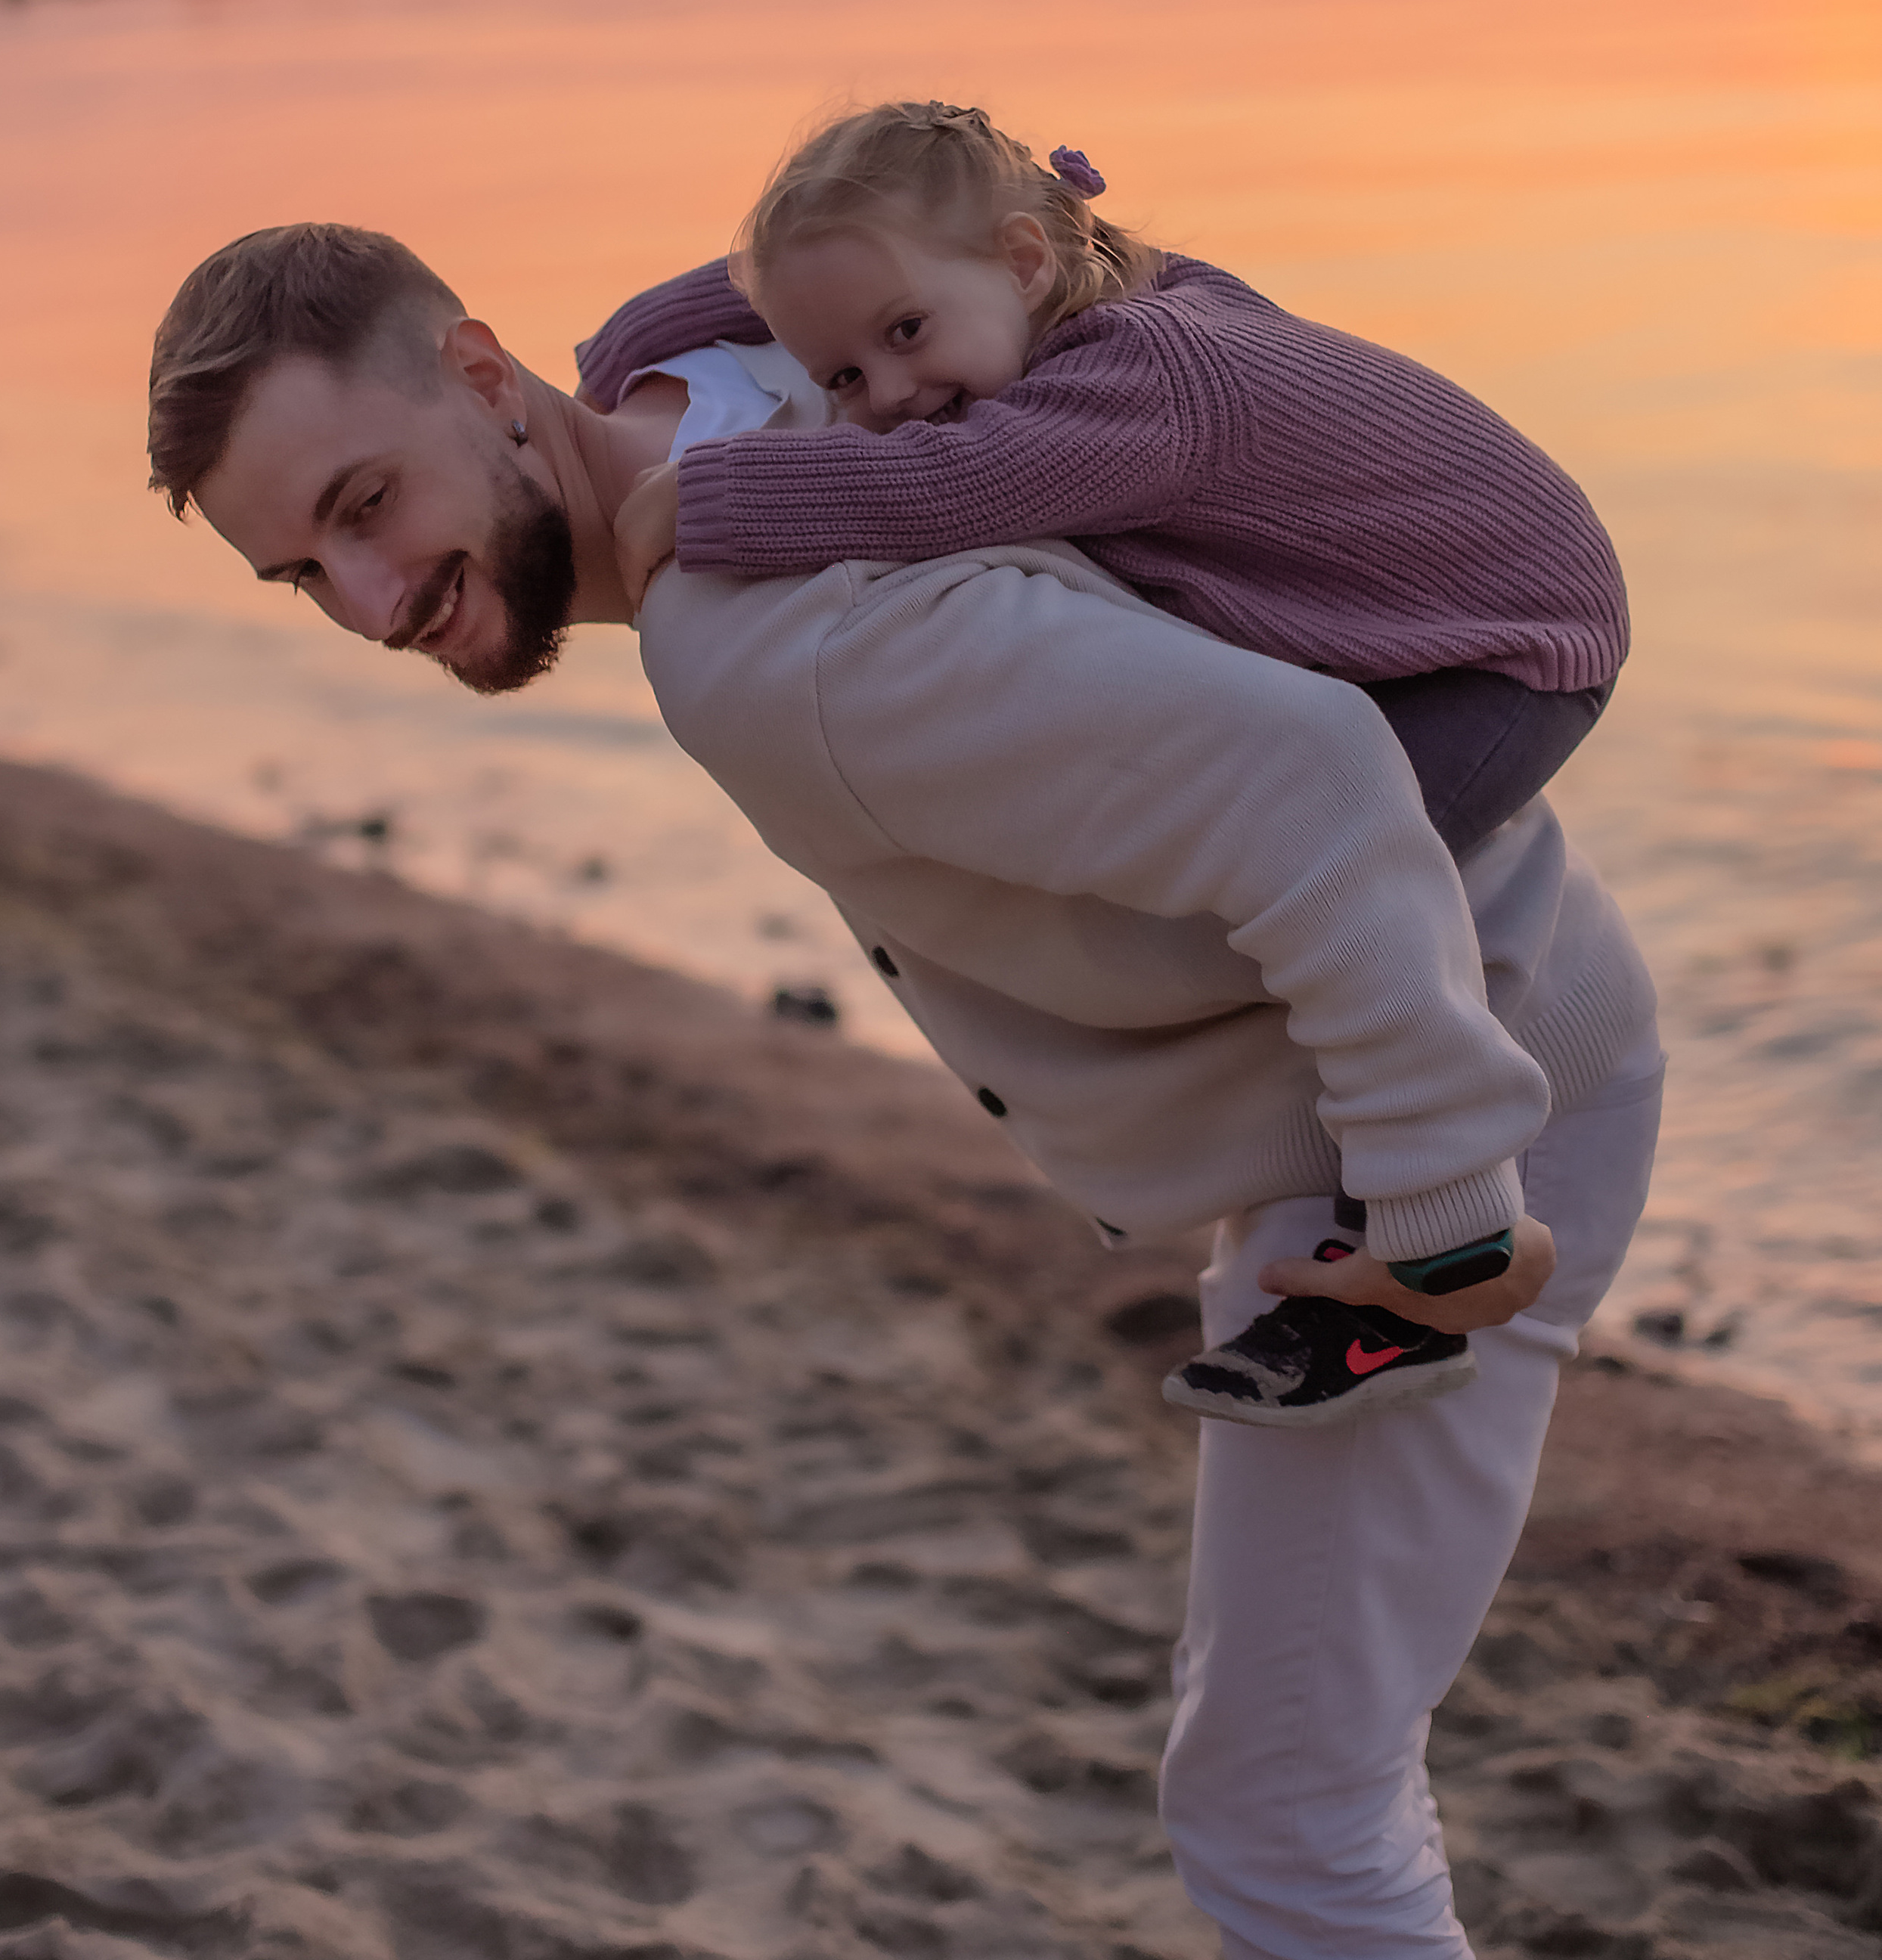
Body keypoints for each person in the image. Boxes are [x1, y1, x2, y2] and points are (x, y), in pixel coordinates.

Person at [148, 220, 1662, 1960]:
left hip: (1452, 1108)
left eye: (362, 508)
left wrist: (1433, 1214)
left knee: (1284, 1809)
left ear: (486, 377)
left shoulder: (766, 648)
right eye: (300, 577)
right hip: (1418, 1030)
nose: (365, 606)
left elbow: (1309, 774)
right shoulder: (759, 366)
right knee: (1287, 1773)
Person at [581, 99, 1632, 1429]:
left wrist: (705, 502)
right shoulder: (1066, 271)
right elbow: (837, 281)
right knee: (1293, 878)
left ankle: (1433, 1258)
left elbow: (940, 492)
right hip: (1421, 596)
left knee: (1361, 868)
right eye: (841, 378)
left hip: (1504, 647)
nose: (890, 396)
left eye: (904, 337)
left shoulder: (1142, 383)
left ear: (1023, 261)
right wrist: (634, 353)